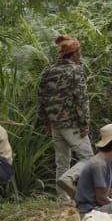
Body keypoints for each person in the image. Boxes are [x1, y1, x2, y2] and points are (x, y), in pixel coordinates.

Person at [37, 35, 91, 195]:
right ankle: (68, 179)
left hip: (55, 125)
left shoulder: (48, 71)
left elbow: (41, 98)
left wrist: (46, 121)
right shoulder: (75, 71)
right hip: (72, 124)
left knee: (62, 162)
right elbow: (81, 100)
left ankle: (63, 200)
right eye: (79, 53)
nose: (79, 56)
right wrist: (84, 124)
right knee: (88, 158)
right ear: (74, 54)